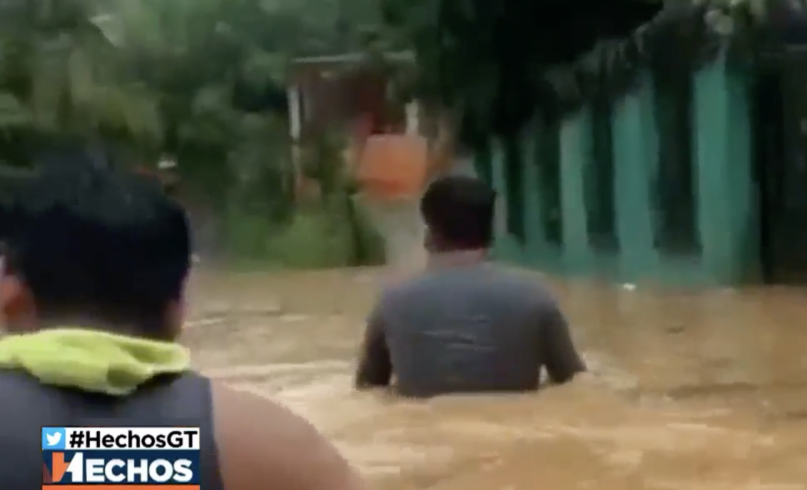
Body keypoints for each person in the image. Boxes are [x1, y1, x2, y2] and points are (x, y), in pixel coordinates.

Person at [0, 156, 363, 490]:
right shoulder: (271, 446)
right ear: (177, 308)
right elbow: (91, 458)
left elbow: (67, 458)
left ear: (10, 294)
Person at [354, 175, 586, 397]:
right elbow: (575, 385)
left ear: (429, 235)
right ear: (490, 234)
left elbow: (368, 392)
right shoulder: (536, 296)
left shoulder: (392, 302)